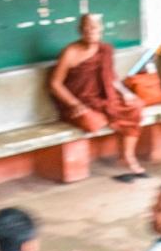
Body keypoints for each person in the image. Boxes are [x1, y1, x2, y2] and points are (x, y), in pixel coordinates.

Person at [50, 13, 147, 182]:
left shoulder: (105, 49)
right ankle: (107, 117)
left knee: (136, 106)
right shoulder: (70, 52)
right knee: (93, 123)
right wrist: (74, 104)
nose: (90, 31)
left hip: (104, 98)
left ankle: (127, 156)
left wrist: (125, 93)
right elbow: (55, 84)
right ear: (80, 30)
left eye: (94, 27)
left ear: (101, 29)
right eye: (86, 27)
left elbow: (111, 78)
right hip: (81, 101)